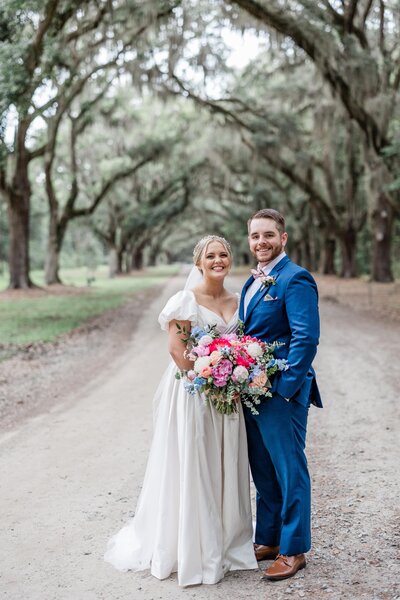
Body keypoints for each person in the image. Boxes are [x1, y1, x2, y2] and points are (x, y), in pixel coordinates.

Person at [104, 235, 257, 587]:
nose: (218, 261)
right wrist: (210, 378)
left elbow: (242, 344)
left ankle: (230, 544)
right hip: (195, 391)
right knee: (197, 463)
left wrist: (233, 374)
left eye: (223, 255)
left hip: (228, 394)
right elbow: (177, 351)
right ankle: (195, 548)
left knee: (226, 463)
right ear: (199, 263)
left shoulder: (238, 300)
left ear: (230, 259)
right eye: (210, 256)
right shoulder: (185, 299)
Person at [239, 208, 322, 581]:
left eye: (268, 235)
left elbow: (306, 338)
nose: (261, 242)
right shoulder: (252, 281)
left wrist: (286, 390)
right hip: (252, 391)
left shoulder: (295, 278)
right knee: (264, 469)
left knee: (289, 469)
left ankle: (293, 549)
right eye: (255, 236)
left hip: (281, 393)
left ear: (283, 238)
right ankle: (269, 538)